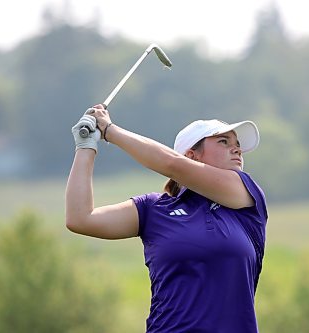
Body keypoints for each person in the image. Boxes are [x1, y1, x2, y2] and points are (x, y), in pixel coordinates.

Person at [65, 104, 268, 333]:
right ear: (192, 155)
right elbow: (80, 218)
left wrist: (110, 130)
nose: (237, 150)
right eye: (224, 142)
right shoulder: (153, 209)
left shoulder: (244, 197)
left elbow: (171, 164)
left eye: (238, 145)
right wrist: (86, 146)